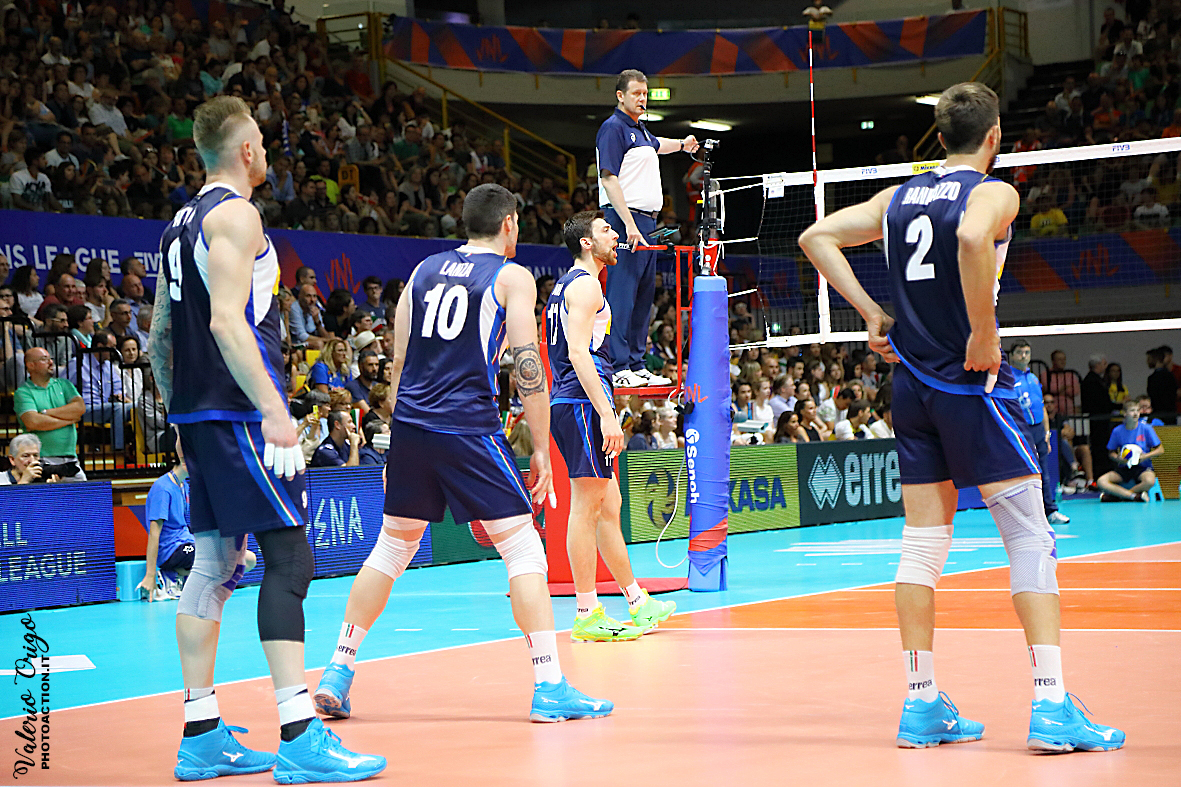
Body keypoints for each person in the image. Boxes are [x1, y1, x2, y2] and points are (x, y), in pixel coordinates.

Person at [798, 82, 1123, 752]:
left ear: (940, 138)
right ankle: (1051, 704)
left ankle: (920, 703)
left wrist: (871, 313)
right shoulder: (993, 192)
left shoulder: (897, 198)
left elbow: (816, 235)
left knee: (922, 542)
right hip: (970, 384)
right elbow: (974, 235)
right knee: (1029, 537)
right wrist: (983, 330)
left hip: (911, 385)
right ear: (994, 136)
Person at [312, 184, 612, 726]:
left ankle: (338, 668)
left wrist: (397, 441)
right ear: (509, 224)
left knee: (391, 548)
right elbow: (528, 366)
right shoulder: (512, 277)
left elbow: (399, 363)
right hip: (468, 426)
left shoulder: (422, 271)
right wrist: (541, 448)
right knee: (524, 550)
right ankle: (549, 685)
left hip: (411, 425)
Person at [149, 96, 384, 781]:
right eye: (261, 139)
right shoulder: (237, 214)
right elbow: (227, 322)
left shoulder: (178, 225)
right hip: (240, 413)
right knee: (289, 559)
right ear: (247, 150)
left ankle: (200, 733)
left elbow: (161, 333)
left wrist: (179, 416)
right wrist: (274, 411)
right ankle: (300, 734)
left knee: (214, 564)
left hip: (200, 414)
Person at [545, 209, 674, 639]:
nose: (615, 235)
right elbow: (578, 354)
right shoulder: (585, 286)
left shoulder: (566, 285)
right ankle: (586, 613)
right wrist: (606, 414)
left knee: (608, 507)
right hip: (582, 403)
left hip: (576, 401)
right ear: (586, 242)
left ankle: (638, 602)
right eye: (606, 230)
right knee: (586, 509)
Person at [597, 69, 698, 388]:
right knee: (622, 294)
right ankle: (617, 366)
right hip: (624, 221)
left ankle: (637, 363)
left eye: (645, 93)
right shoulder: (612, 128)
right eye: (637, 93)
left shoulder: (639, 129)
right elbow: (608, 178)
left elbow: (657, 144)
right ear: (620, 96)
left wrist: (682, 144)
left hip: (648, 222)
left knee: (644, 296)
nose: (643, 99)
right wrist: (628, 224)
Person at [1010, 340, 1069, 525]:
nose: (1024, 356)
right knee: (1021, 473)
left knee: (1043, 472)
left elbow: (1041, 407)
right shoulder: (1007, 379)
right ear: (1012, 356)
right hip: (1020, 430)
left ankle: (1050, 511)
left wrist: (1046, 433)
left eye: (1027, 352)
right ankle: (1023, 514)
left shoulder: (1034, 379)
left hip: (1038, 431)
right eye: (1020, 352)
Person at [138, 436, 199, 601]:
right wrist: (150, 574)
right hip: (170, 550)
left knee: (247, 560)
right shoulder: (163, 489)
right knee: (211, 556)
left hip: (186, 542)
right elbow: (154, 533)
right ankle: (167, 577)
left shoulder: (183, 485)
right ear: (185, 461)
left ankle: (178, 577)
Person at [14, 347, 86, 480]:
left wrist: (46, 413)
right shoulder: (23, 392)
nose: (51, 362)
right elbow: (33, 422)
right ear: (31, 365)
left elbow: (79, 408)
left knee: (85, 493)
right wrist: (69, 420)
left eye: (50, 359)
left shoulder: (64, 384)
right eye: (44, 359)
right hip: (41, 460)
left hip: (71, 460)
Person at [1097, 400, 1162, 501]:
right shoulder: (1117, 431)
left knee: (1149, 481)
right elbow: (1111, 452)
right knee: (1101, 481)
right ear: (1125, 413)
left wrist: (1144, 457)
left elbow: (1160, 450)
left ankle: (1119, 495)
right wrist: (1118, 458)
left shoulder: (1146, 428)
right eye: (1132, 411)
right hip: (1124, 468)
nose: (1135, 413)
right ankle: (1133, 496)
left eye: (1137, 410)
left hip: (1143, 467)